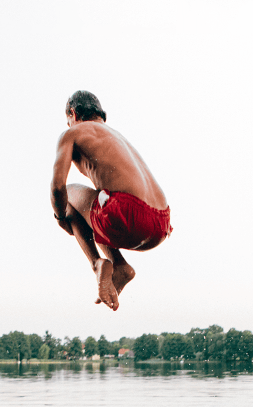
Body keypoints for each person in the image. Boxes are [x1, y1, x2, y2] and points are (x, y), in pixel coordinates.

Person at [50, 90, 171, 311]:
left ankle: (97, 263)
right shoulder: (117, 136)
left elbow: (57, 187)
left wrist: (60, 217)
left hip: (129, 214)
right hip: (161, 223)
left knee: (66, 198)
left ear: (73, 113)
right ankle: (120, 266)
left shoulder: (73, 133)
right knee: (101, 201)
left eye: (68, 120)